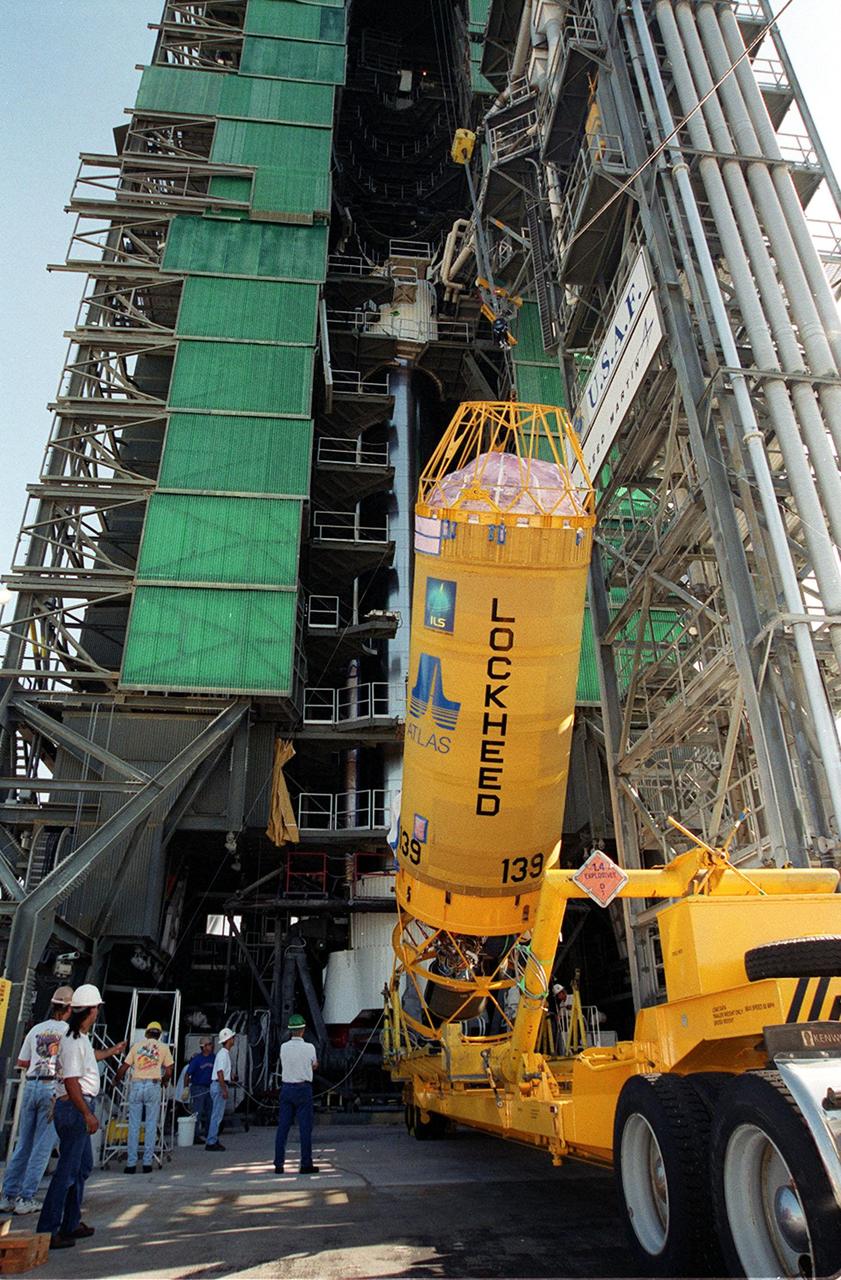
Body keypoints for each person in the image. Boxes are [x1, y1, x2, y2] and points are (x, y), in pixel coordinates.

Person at [36, 984, 125, 1251]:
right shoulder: (73, 1041)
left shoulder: (81, 1039)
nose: (98, 1012)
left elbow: (90, 1059)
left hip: (77, 1107)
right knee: (66, 1171)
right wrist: (87, 1114)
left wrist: (112, 1051)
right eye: (97, 1008)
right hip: (75, 1109)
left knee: (83, 1166)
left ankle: (71, 1222)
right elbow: (72, 1082)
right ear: (89, 1010)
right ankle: (48, 1230)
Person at [0, 986, 74, 1216]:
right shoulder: (69, 1032)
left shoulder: (35, 1030)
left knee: (23, 1144)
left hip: (30, 1086)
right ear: (70, 1008)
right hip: (52, 1089)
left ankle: (7, 1196)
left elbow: (23, 1062)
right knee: (43, 1146)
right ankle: (26, 1197)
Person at [115, 1020, 174, 1173]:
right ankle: (147, 1163)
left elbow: (124, 1067)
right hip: (153, 1085)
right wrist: (164, 1082)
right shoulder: (163, 1048)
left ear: (147, 1033)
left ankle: (131, 1164)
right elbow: (168, 1071)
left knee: (134, 1125)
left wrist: (115, 1081)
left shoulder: (136, 1047)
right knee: (150, 1125)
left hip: (136, 1085)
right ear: (159, 1035)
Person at [274, 1014, 319, 1176]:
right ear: (303, 1030)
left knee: (283, 1128)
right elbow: (314, 1065)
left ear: (290, 1031)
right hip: (303, 1089)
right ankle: (305, 1164)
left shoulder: (283, 1047)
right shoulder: (310, 1048)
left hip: (286, 1089)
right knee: (305, 1129)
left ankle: (279, 1164)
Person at [205, 1027, 236, 1152]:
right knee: (216, 1115)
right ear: (228, 1040)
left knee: (216, 1114)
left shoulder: (223, 1054)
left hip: (218, 1085)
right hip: (219, 1085)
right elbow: (220, 1073)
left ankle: (213, 1138)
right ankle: (211, 1141)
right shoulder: (223, 1054)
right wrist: (224, 1089)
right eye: (232, 1038)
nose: (234, 1039)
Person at [184, 1037, 215, 1144]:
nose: (211, 1046)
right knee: (197, 1112)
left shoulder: (213, 1058)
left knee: (210, 1112)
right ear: (204, 1047)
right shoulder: (197, 1059)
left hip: (210, 1088)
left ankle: (209, 1134)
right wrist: (186, 1088)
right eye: (209, 1044)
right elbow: (188, 1074)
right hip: (198, 1088)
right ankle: (195, 1135)